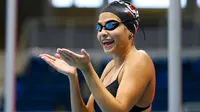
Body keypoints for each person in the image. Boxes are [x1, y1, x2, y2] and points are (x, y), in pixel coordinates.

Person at [40, 1, 156, 112]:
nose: (103, 33)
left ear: (131, 30)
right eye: (99, 27)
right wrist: (73, 76)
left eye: (111, 25)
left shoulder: (140, 59)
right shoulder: (110, 67)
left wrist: (87, 69)